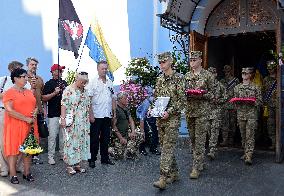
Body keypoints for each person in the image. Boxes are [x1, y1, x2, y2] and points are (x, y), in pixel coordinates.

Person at [152, 52, 185, 190]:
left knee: (166, 148)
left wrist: (169, 111)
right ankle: (175, 173)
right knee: (166, 146)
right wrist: (152, 109)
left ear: (170, 61)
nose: (161, 64)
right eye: (160, 62)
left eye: (164, 62)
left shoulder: (179, 78)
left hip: (172, 119)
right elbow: (156, 98)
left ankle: (163, 178)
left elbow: (182, 100)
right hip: (160, 119)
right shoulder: (159, 79)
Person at [3, 68, 39, 184]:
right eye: (24, 76)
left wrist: (36, 111)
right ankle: (13, 174)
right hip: (15, 125)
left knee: (28, 150)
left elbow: (35, 105)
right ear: (16, 78)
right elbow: (9, 111)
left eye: (26, 77)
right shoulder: (9, 92)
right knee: (13, 151)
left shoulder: (29, 91)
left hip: (30, 125)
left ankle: (26, 172)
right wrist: (25, 119)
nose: (26, 79)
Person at [185, 51, 215, 179]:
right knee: (192, 138)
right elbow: (182, 92)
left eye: (195, 59)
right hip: (190, 111)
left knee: (200, 140)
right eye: (191, 60)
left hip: (202, 112)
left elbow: (213, 94)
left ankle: (196, 167)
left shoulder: (208, 75)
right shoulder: (187, 75)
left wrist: (202, 94)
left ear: (200, 60)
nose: (192, 62)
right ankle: (200, 160)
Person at [0, 61, 31, 177]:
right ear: (11, 70)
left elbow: (29, 97)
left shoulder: (26, 83)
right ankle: (4, 168)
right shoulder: (3, 80)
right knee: (4, 142)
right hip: (4, 112)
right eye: (16, 69)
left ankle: (17, 166)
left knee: (21, 142)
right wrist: (9, 93)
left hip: (23, 114)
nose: (19, 71)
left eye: (20, 69)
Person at [60, 72, 91, 175]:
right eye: (82, 82)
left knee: (81, 142)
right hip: (72, 121)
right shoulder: (68, 90)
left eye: (85, 82)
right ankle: (69, 166)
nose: (83, 84)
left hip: (83, 121)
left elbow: (88, 105)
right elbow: (64, 105)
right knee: (70, 142)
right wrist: (63, 118)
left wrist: (91, 115)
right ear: (76, 79)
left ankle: (78, 164)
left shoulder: (85, 91)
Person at [87, 61, 116, 168]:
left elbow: (113, 98)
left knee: (106, 138)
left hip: (107, 115)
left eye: (105, 68)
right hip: (96, 115)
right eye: (102, 68)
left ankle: (105, 158)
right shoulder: (93, 82)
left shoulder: (110, 82)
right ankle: (92, 159)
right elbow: (88, 100)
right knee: (94, 139)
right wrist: (91, 115)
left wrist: (114, 113)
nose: (104, 70)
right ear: (98, 69)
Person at [233, 67, 262, 165]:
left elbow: (260, 101)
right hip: (241, 114)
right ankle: (245, 152)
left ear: (250, 75)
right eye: (242, 73)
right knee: (243, 135)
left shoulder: (255, 87)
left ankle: (249, 155)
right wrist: (237, 102)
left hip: (251, 115)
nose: (244, 74)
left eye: (246, 73)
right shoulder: (237, 87)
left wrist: (252, 102)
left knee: (250, 135)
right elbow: (234, 102)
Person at [42, 64, 67, 165]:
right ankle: (51, 156)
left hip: (64, 114)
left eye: (61, 71)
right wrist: (54, 93)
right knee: (52, 136)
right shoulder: (49, 83)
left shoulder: (65, 83)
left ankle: (62, 154)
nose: (60, 72)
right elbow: (43, 98)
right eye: (59, 70)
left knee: (63, 136)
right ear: (53, 72)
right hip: (53, 114)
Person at [111, 92, 143, 160]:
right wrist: (121, 138)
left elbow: (131, 120)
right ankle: (110, 149)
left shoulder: (126, 108)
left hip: (126, 133)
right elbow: (113, 126)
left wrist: (133, 132)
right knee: (119, 156)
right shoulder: (116, 109)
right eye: (125, 98)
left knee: (139, 134)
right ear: (119, 99)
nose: (127, 100)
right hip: (119, 135)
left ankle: (130, 153)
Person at [26, 57, 45, 164]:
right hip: (27, 111)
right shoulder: (23, 78)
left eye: (35, 65)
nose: (34, 66)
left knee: (36, 134)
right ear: (27, 65)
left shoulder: (40, 79)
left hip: (38, 110)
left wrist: (43, 109)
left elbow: (41, 96)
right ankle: (26, 157)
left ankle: (35, 156)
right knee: (28, 134)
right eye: (32, 64)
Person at [207, 67, 227, 160]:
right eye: (209, 73)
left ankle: (212, 151)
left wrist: (218, 101)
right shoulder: (204, 85)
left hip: (216, 111)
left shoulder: (220, 86)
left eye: (213, 73)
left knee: (214, 131)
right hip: (206, 111)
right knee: (209, 131)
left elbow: (225, 97)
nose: (211, 75)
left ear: (215, 74)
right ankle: (211, 147)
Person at [136, 89, 160, 156]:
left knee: (155, 132)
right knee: (145, 132)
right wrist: (142, 130)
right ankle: (142, 149)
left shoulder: (157, 101)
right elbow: (142, 117)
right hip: (142, 117)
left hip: (151, 117)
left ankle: (153, 148)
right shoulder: (147, 103)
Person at [220, 65, 239, 146]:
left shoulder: (236, 81)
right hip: (224, 105)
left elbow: (238, 92)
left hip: (233, 105)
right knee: (224, 123)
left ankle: (231, 139)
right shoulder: (221, 81)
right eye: (225, 71)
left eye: (228, 71)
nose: (226, 73)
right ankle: (225, 140)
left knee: (232, 123)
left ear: (231, 71)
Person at [262, 61, 277, 150]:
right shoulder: (266, 79)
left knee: (279, 124)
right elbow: (263, 91)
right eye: (268, 69)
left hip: (279, 105)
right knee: (270, 124)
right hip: (269, 106)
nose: (269, 70)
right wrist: (264, 103)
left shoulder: (280, 78)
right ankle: (274, 143)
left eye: (271, 68)